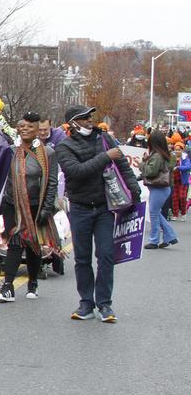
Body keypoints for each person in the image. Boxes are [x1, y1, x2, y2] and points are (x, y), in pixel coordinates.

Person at [56, 105, 140, 323]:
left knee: (106, 256)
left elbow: (122, 166)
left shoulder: (104, 139)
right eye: (83, 118)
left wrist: (134, 191)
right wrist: (105, 157)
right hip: (80, 207)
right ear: (73, 123)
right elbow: (76, 172)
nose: (89, 120)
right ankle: (86, 303)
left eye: (89, 116)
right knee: (82, 258)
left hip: (104, 207)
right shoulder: (64, 147)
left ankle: (105, 304)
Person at [0, 113, 59, 302]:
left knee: (33, 245)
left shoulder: (48, 154)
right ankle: (8, 287)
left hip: (35, 205)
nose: (25, 129)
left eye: (30, 127)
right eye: (22, 126)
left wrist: (46, 208)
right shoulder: (10, 151)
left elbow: (52, 182)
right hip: (12, 204)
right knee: (15, 242)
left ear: (38, 130)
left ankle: (32, 282)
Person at [140, 130, 179, 249]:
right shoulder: (166, 154)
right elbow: (170, 167)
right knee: (156, 213)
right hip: (163, 187)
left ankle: (154, 240)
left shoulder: (156, 155)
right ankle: (170, 236)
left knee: (153, 213)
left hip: (158, 188)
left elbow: (151, 171)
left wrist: (141, 164)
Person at [172, 141, 190, 221]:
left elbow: (188, 167)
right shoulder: (171, 156)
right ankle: (175, 214)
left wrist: (178, 167)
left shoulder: (185, 157)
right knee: (174, 198)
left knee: (182, 197)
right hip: (173, 180)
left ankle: (183, 213)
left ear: (182, 150)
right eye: (176, 149)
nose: (177, 151)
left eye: (179, 149)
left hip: (183, 180)